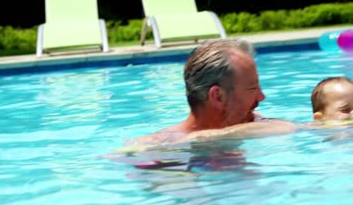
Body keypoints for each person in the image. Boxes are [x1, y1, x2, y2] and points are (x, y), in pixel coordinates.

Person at [127, 39, 296, 147]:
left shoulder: (251, 122)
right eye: (252, 88)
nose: (261, 97)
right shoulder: (160, 146)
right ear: (218, 96)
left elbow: (292, 127)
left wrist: (208, 137)